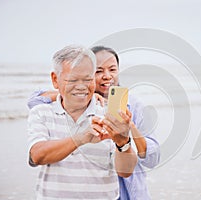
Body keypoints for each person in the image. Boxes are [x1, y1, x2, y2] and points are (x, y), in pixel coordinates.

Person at [28, 46, 160, 200]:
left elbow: (150, 159)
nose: (107, 76)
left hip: (126, 191)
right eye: (98, 71)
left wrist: (126, 133)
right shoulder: (52, 110)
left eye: (112, 69)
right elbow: (34, 101)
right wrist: (71, 91)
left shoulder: (129, 106)